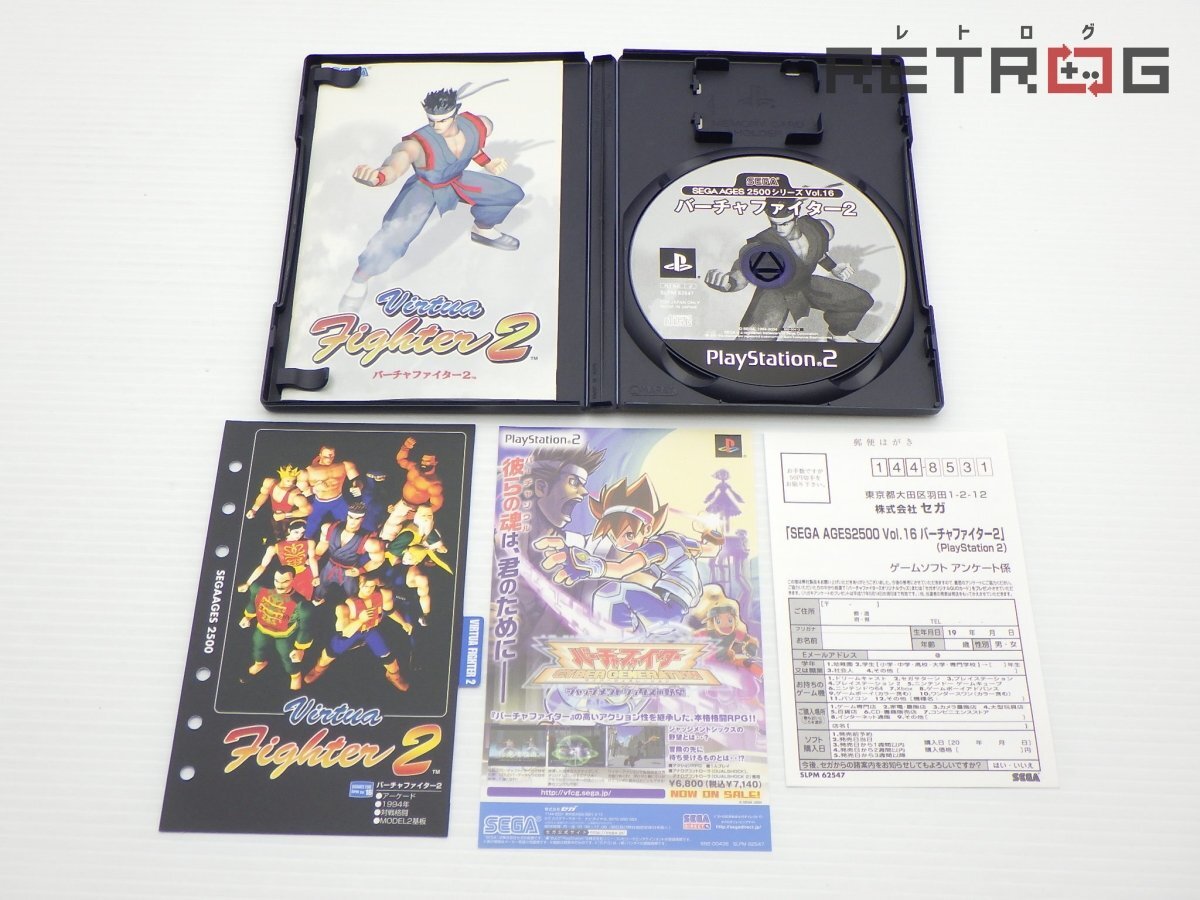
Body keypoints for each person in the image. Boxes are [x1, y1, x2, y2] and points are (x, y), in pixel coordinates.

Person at [340, 86, 525, 311]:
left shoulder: (479, 125)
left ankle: (482, 230)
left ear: (455, 113)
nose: (436, 127)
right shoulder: (417, 144)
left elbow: (474, 147)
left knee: (510, 193)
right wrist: (379, 177)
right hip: (425, 188)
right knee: (394, 235)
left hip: (456, 180)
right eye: (431, 121)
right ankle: (359, 280)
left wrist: (488, 163)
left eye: (442, 120)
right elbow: (398, 161)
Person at [704, 206, 874, 340]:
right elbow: (743, 271)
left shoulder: (819, 229)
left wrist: (833, 267)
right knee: (753, 338)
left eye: (784, 223)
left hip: (806, 283)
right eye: (773, 223)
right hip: (776, 291)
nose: (778, 229)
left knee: (859, 300)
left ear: (796, 217)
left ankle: (837, 336)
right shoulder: (762, 243)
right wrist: (729, 283)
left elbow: (818, 251)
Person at [303, 573, 412, 692]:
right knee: (327, 655)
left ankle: (394, 677)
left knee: (389, 659)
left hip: (370, 631)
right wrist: (360, 620)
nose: (369, 590)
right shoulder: (344, 607)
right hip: (352, 632)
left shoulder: (382, 595)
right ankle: (318, 670)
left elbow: (389, 610)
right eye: (366, 586)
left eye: (372, 586)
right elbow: (345, 633)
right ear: (359, 585)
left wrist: (403, 622)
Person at [239, 568, 313, 691]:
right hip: (262, 629)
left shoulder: (301, 604)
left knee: (288, 657)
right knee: (258, 648)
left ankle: (295, 675)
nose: (280, 585)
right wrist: (248, 617)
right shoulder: (259, 589)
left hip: (284, 635)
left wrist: (300, 649)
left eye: (285, 581)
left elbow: (306, 628)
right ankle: (259, 664)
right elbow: (253, 602)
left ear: (293, 580)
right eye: (277, 581)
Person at [237, 519, 320, 600]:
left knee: (305, 599)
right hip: (285, 577)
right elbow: (262, 566)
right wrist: (248, 583)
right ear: (289, 530)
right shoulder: (275, 547)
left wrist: (316, 576)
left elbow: (312, 559)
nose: (299, 535)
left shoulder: (309, 543)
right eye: (296, 532)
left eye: (302, 532)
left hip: (304, 575)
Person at [298, 445, 359, 539]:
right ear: (320, 455)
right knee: (310, 527)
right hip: (319, 502)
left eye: (332, 456)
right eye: (326, 456)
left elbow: (357, 480)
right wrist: (315, 488)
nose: (329, 459)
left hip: (339, 501)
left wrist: (357, 486)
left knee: (349, 524)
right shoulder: (308, 471)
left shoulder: (345, 465)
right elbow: (301, 494)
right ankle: (305, 541)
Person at [245, 464, 313, 540]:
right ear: (282, 477)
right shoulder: (269, 483)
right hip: (274, 517)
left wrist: (285, 515)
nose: (290, 483)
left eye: (293, 481)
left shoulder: (295, 495)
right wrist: (254, 509)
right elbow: (263, 494)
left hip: (290, 521)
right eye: (288, 480)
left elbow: (307, 511)